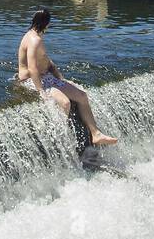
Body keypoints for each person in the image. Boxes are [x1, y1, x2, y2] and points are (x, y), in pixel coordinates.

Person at [17, 8, 117, 146]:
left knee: (82, 96)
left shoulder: (36, 36)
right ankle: (62, 141)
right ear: (47, 24)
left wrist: (59, 77)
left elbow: (45, 60)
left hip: (47, 78)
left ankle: (96, 134)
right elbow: (32, 68)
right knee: (65, 103)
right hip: (34, 80)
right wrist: (40, 91)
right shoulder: (34, 40)